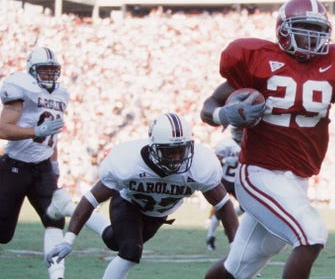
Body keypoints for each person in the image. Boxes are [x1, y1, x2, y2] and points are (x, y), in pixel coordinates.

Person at [200, 0, 335, 279]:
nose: (311, 37)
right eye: (304, 28)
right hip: (259, 172)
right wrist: (224, 115)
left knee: (240, 265)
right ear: (283, 29)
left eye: (318, 30)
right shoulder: (258, 60)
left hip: (298, 179)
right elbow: (208, 107)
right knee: (311, 235)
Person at [44, 112, 239, 278]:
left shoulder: (200, 164)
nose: (176, 158)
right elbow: (91, 198)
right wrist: (69, 239)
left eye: (181, 150)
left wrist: (238, 250)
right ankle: (69, 207)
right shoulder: (128, 162)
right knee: (130, 251)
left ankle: (67, 207)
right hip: (128, 203)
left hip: (157, 215)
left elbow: (224, 205)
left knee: (113, 240)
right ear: (153, 146)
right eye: (169, 152)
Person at [0, 46, 70, 279]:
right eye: (44, 70)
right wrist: (35, 130)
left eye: (53, 70)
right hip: (15, 167)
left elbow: (53, 135)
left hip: (42, 168)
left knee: (55, 220)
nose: (50, 75)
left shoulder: (62, 95)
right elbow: (3, 129)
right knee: (2, 233)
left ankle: (57, 275)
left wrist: (54, 165)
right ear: (31, 71)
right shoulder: (21, 87)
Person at [206, 126, 244, 251]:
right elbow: (214, 161)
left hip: (238, 182)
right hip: (224, 180)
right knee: (220, 207)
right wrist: (226, 160)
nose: (241, 132)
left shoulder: (248, 142)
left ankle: (228, 218)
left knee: (246, 207)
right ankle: (210, 237)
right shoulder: (225, 144)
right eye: (239, 130)